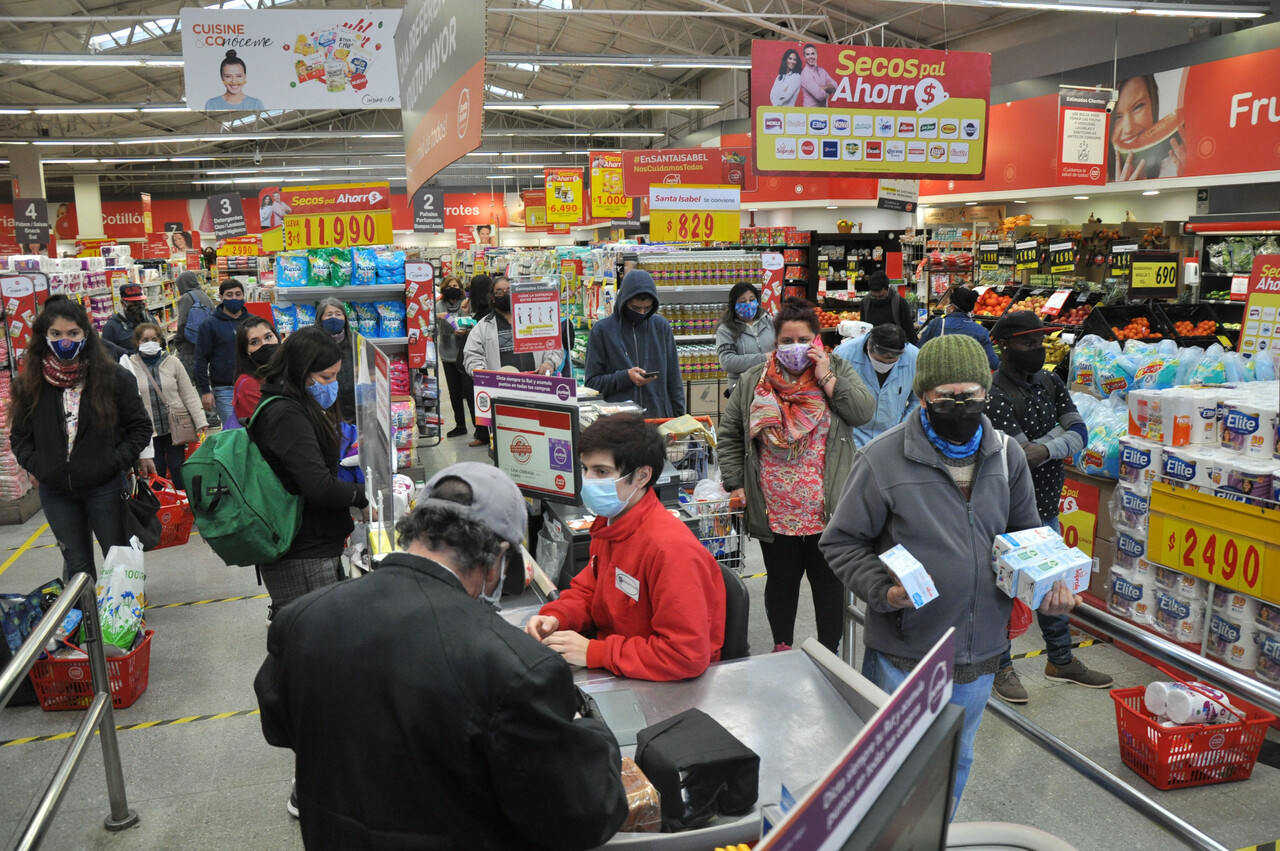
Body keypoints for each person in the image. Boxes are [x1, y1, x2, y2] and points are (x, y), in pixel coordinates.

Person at [255, 462, 628, 847]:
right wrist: (594, 735)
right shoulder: (513, 669)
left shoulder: (301, 619)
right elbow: (583, 816)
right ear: (497, 555)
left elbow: (280, 726)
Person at [820, 334, 1078, 814]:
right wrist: (883, 590)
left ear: (986, 392)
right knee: (889, 768)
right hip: (904, 652)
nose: (960, 406)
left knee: (955, 760)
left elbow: (1026, 536)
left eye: (971, 395)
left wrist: (1050, 583)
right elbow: (841, 541)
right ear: (922, 396)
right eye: (945, 397)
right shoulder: (882, 457)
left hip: (979, 652)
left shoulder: (1007, 455)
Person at [719, 300, 874, 654]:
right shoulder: (754, 380)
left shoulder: (837, 369)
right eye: (786, 341)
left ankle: (828, 652)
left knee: (829, 584)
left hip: (828, 507)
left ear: (817, 340)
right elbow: (729, 432)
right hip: (773, 507)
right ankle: (782, 647)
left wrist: (827, 379)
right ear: (775, 343)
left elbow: (863, 412)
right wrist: (735, 483)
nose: (794, 347)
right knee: (781, 583)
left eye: (803, 339)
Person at [526, 414, 726, 681]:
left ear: (642, 476)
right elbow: (590, 590)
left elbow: (685, 654)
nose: (588, 480)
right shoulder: (611, 525)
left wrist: (595, 652)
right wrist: (557, 617)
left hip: (669, 684)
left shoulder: (671, 550)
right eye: (584, 469)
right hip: (623, 664)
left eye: (602, 472)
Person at [985, 311, 1113, 703]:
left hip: (1047, 507)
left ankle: (1060, 660)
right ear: (1004, 346)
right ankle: (1000, 666)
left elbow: (1081, 432)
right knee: (1002, 592)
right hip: (1005, 512)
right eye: (1028, 343)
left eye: (1041, 342)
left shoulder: (1051, 380)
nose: (1038, 350)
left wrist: (1048, 446)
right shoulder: (992, 394)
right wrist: (1056, 441)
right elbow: (1019, 455)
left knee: (1055, 587)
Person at [9, 298, 153, 580]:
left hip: (105, 488)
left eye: (72, 333)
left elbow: (139, 427)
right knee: (77, 568)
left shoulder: (113, 378)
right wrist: (40, 465)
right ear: (44, 336)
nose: (65, 341)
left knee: (119, 561)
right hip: (56, 491)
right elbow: (20, 437)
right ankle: (87, 622)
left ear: (85, 335)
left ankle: (125, 622)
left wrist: (113, 462)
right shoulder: (30, 384)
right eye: (56, 334)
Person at [247, 327, 367, 618]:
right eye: (326, 378)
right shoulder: (286, 414)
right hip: (302, 553)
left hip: (310, 543)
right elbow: (319, 486)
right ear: (301, 370)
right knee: (317, 641)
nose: (332, 385)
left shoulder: (297, 403)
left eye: (336, 376)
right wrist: (362, 496)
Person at [584, 270, 684, 418]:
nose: (642, 313)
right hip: (619, 425)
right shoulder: (602, 331)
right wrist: (625, 377)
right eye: (636, 308)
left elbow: (674, 381)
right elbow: (592, 384)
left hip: (658, 420)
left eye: (647, 308)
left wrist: (679, 420)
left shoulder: (661, 327)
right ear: (624, 302)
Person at [121, 323, 207, 489]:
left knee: (178, 466)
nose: (150, 342)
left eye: (154, 339)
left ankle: (183, 501)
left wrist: (201, 421)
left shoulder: (172, 362)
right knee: (156, 470)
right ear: (137, 342)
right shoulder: (130, 365)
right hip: (148, 429)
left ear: (160, 341)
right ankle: (162, 506)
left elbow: (188, 393)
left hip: (175, 426)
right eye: (145, 339)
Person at [833, 323, 919, 448]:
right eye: (880, 361)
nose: (885, 365)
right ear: (869, 346)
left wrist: (904, 428)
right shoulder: (844, 354)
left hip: (893, 436)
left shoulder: (914, 358)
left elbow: (918, 401)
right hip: (852, 434)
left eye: (892, 362)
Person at [462, 274, 562, 380]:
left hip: (536, 384)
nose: (505, 294)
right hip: (501, 387)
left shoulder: (535, 321)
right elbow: (472, 355)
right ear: (493, 298)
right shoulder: (483, 327)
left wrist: (549, 363)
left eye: (509, 291)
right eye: (499, 292)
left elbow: (554, 346)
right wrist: (484, 376)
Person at [195, 277, 251, 428]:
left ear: (243, 296)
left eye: (238, 294)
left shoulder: (253, 322)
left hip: (251, 385)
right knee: (233, 433)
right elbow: (201, 359)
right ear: (221, 297)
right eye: (229, 295)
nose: (234, 298)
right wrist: (205, 391)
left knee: (256, 432)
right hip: (224, 389)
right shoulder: (209, 325)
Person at [1109, 74, 1185, 182]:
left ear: (1153, 106)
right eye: (1117, 117)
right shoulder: (1095, 179)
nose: (1128, 128)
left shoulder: (1175, 165)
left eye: (1138, 107)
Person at [716, 281, 775, 396]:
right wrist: (763, 358)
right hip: (742, 389)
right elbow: (727, 362)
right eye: (743, 301)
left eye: (752, 300)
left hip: (770, 386)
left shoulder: (769, 321)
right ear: (734, 305)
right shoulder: (726, 329)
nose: (748, 304)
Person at [919, 286, 999, 369]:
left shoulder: (936, 324)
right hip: (969, 379)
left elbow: (919, 350)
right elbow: (993, 364)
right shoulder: (981, 331)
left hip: (940, 377)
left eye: (947, 303)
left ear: (952, 308)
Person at [435, 276, 473, 438]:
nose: (453, 288)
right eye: (450, 285)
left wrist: (465, 328)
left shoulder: (465, 304)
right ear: (444, 288)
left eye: (456, 285)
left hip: (464, 353)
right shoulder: (439, 305)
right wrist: (437, 317)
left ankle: (479, 426)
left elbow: (472, 322)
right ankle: (460, 425)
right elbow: (432, 324)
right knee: (454, 392)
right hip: (446, 353)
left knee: (469, 390)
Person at [459, 275, 492, 447]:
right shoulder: (481, 310)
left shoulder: (486, 313)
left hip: (479, 364)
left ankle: (483, 433)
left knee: (477, 397)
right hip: (477, 361)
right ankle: (482, 431)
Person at [313, 298, 356, 423]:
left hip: (352, 411)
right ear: (320, 318)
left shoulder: (354, 344)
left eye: (338, 314)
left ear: (345, 319)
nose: (334, 318)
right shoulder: (313, 345)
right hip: (324, 413)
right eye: (329, 314)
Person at [232, 314, 279, 424]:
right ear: (245, 351)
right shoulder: (249, 384)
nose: (265, 344)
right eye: (255, 342)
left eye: (268, 337)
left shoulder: (281, 372)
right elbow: (271, 423)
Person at [174, 270, 215, 379]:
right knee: (201, 382)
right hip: (203, 345)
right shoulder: (204, 295)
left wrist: (177, 341)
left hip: (189, 347)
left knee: (185, 383)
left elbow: (182, 322)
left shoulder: (187, 297)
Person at [860, 270, 918, 346]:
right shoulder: (865, 302)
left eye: (881, 297)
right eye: (873, 296)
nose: (877, 299)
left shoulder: (899, 302)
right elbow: (863, 328)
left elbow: (909, 329)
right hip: (872, 348)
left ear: (887, 289)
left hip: (895, 349)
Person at [101, 283, 157, 355]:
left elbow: (162, 344)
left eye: (140, 301)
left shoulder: (151, 320)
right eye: (133, 302)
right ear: (123, 303)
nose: (138, 304)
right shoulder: (112, 327)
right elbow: (107, 355)